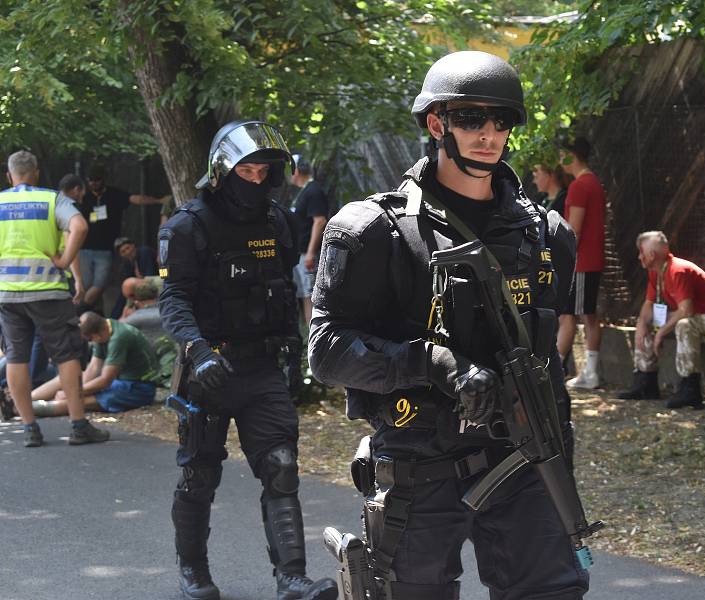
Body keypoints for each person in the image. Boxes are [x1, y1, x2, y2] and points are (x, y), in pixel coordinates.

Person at [309, 50, 587, 600]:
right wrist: (432, 363)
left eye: (500, 120)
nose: (488, 133)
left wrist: (558, 448)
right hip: (422, 460)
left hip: (524, 459)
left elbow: (548, 353)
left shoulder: (547, 235)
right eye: (470, 118)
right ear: (437, 123)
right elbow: (326, 349)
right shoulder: (373, 231)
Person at [158, 120, 336, 600]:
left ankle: (292, 577)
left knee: (281, 465)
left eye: (264, 172)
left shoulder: (278, 221)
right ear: (222, 171)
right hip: (208, 370)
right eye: (247, 171)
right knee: (199, 474)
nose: (255, 181)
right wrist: (198, 352)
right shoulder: (187, 226)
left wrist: (296, 349)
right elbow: (173, 300)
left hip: (261, 370)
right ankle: (193, 569)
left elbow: (283, 288)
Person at [0, 150, 109, 446]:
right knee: (66, 355)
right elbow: (80, 226)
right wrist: (65, 262)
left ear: (10, 176)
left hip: (8, 293)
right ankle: (78, 425)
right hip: (48, 290)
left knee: (16, 356)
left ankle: (29, 429)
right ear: (35, 173)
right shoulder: (51, 199)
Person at [618, 231, 705, 408]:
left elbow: (686, 310)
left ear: (652, 255)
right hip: (698, 318)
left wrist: (660, 335)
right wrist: (641, 325)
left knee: (685, 325)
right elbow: (648, 305)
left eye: (641, 252)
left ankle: (690, 389)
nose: (639, 257)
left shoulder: (677, 270)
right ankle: (645, 381)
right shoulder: (656, 272)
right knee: (647, 321)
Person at [28, 311, 158, 416]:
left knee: (78, 401)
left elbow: (105, 379)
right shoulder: (105, 331)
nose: (90, 342)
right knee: (69, 378)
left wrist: (73, 393)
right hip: (119, 382)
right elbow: (93, 369)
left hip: (138, 388)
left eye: (89, 339)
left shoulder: (119, 338)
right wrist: (74, 388)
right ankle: (24, 400)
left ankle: (26, 408)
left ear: (98, 334)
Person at [78, 163, 164, 312]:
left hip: (106, 251)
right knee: (85, 285)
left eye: (128, 248)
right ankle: (93, 317)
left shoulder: (144, 253)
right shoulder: (83, 197)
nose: (93, 183)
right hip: (85, 249)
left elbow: (154, 276)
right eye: (90, 180)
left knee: (99, 284)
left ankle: (80, 312)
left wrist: (159, 201)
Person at [558, 137, 605, 390]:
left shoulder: (580, 186)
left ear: (571, 155)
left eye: (562, 154)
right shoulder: (593, 182)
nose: (559, 160)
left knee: (577, 316)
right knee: (587, 315)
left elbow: (573, 229)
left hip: (581, 262)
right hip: (590, 259)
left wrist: (561, 256)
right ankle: (590, 371)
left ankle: (582, 371)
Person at [289, 154, 329, 325]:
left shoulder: (313, 191)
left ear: (297, 171)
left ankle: (317, 340)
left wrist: (310, 253)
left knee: (313, 295)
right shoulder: (305, 191)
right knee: (306, 294)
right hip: (302, 253)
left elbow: (319, 221)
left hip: (309, 254)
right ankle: (310, 339)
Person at [111, 236, 158, 318]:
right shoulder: (128, 263)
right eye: (123, 252)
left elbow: (150, 275)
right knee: (124, 295)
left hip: (158, 280)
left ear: (133, 245)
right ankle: (113, 319)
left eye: (128, 248)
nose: (127, 252)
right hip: (142, 286)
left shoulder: (144, 252)